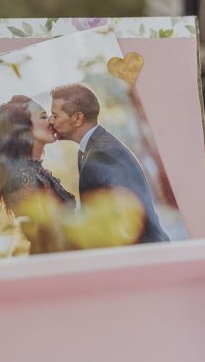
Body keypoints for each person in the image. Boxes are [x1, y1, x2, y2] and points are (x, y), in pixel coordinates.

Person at [49, 83, 169, 243]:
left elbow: (124, 217)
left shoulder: (102, 154)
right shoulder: (94, 148)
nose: (50, 121)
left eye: (55, 115)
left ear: (77, 118)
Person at [0, 95, 76, 253]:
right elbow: (44, 235)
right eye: (43, 117)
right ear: (23, 128)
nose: (51, 121)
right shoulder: (23, 177)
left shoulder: (35, 171)